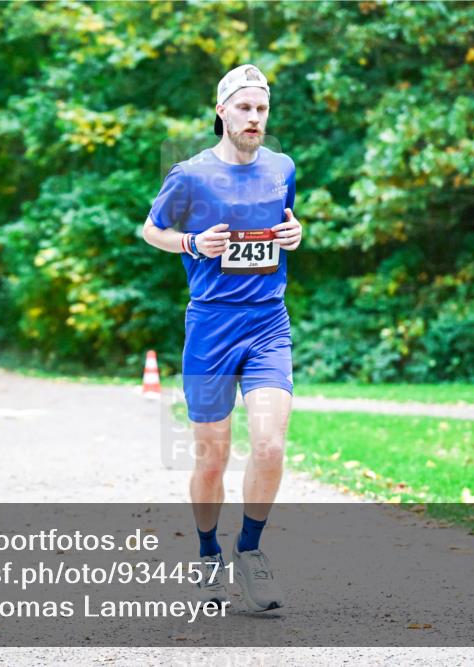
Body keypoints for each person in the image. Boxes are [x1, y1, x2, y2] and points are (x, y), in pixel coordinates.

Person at [141, 64, 303, 612]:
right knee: (211, 458)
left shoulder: (282, 167)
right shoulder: (189, 175)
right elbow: (151, 230)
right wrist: (190, 242)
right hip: (210, 326)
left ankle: (251, 551)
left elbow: (286, 223)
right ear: (221, 111)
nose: (254, 118)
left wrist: (295, 232)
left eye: (261, 109)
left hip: (266, 324)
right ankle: (208, 554)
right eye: (244, 108)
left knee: (270, 444)